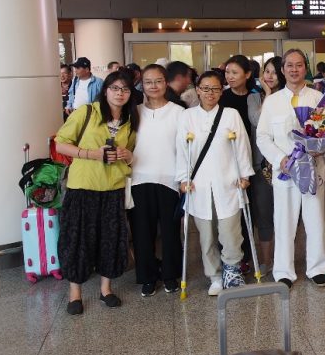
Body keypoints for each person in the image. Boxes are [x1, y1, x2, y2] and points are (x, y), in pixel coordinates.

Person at [54, 70, 139, 315]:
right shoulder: (87, 112)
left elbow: (131, 154)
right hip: (83, 186)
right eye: (115, 88)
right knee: (77, 238)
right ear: (105, 90)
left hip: (113, 187)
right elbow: (61, 144)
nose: (120, 93)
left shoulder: (130, 120)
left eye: (125, 89)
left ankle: (106, 289)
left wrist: (128, 155)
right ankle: (75, 294)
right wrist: (93, 154)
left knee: (110, 238)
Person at [256, 49, 325, 287]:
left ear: (305, 68)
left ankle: (318, 267)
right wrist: (280, 159)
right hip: (285, 170)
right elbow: (262, 137)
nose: (294, 69)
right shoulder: (272, 101)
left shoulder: (319, 98)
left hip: (312, 166)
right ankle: (283, 271)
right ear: (283, 69)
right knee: (284, 220)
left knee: (315, 217)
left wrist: (322, 148)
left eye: (299, 65)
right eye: (289, 65)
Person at [176, 71, 253, 295]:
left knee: (231, 232)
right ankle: (215, 276)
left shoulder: (231, 115)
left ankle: (232, 270)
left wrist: (245, 175)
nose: (211, 93)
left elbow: (242, 146)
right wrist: (183, 178)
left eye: (216, 89)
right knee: (206, 234)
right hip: (198, 185)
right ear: (197, 89)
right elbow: (181, 149)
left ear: (222, 91)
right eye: (206, 88)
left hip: (228, 181)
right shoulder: (187, 116)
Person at [129, 64, 182, 297]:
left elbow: (184, 149)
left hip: (170, 179)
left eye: (158, 81)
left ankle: (170, 275)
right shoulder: (134, 112)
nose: (153, 86)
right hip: (139, 179)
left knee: (170, 232)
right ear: (142, 85)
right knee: (142, 232)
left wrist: (183, 178)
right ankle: (147, 277)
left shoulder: (179, 112)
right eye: (148, 82)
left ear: (166, 82)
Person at [221, 55, 274, 277]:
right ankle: (238, 260)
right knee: (237, 213)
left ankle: (264, 259)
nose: (230, 77)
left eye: (234, 72)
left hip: (256, 162)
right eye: (227, 73)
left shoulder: (255, 98)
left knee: (261, 211)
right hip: (230, 163)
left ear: (247, 74)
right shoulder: (222, 98)